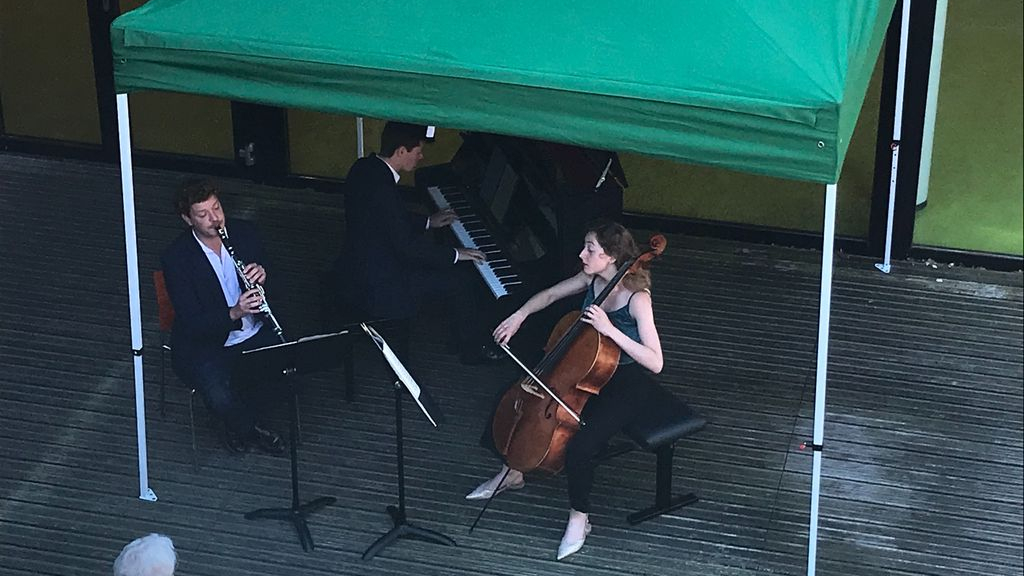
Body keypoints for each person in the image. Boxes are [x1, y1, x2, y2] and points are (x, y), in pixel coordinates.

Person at [466, 220, 663, 560]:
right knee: (512, 396)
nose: (582, 254)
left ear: (613, 257)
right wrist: (520, 315)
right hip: (581, 368)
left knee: (581, 445)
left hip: (625, 382)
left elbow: (656, 361)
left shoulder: (636, 299)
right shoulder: (592, 278)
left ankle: (579, 517)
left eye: (591, 250)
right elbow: (552, 294)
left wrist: (609, 329)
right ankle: (511, 471)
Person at [332, 121, 502, 363]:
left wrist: (428, 222)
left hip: (356, 264)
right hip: (380, 284)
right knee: (462, 281)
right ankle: (471, 351)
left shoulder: (364, 168)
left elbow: (384, 219)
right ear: (401, 151)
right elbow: (407, 249)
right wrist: (456, 253)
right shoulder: (384, 190)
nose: (421, 157)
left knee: (450, 271)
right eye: (418, 151)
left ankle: (460, 336)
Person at [161, 179, 284, 454]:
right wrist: (234, 312)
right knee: (218, 393)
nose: (214, 218)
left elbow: (278, 285)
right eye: (203, 214)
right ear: (187, 219)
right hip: (208, 343)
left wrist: (265, 276)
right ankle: (246, 428)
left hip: (254, 331)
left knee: (288, 374)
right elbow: (192, 321)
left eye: (216, 208)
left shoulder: (245, 233)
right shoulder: (177, 258)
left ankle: (241, 420)